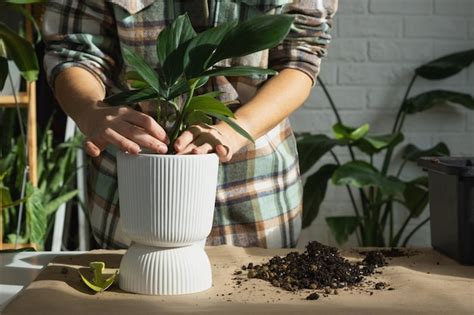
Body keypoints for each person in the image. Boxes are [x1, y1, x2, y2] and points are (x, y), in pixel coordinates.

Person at [42, 0, 338, 249]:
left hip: (256, 197)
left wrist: (234, 130)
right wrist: (90, 110)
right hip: (134, 198)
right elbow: (75, 48)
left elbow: (301, 56)